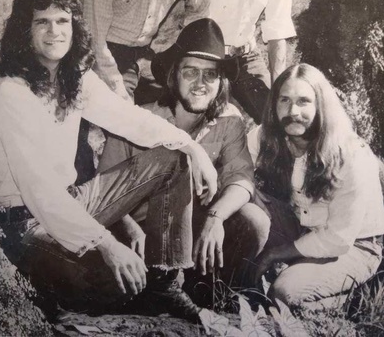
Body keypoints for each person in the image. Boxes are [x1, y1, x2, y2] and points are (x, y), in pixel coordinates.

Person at [0, 0, 219, 321]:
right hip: (26, 225)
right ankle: (53, 292)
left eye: (62, 21)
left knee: (173, 158)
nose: (54, 31)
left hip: (74, 201)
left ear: (74, 26)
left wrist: (191, 146)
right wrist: (107, 244)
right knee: (117, 283)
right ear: (25, 30)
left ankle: (163, 283)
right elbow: (41, 194)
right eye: (42, 22)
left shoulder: (74, 77)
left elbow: (129, 119)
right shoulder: (11, 92)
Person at [98, 18, 264, 304]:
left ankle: (211, 295)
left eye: (210, 74)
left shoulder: (229, 120)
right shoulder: (138, 120)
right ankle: (154, 293)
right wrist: (128, 227)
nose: (200, 83)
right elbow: (103, 191)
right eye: (191, 72)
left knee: (253, 222)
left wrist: (216, 218)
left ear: (221, 82)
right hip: (140, 232)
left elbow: (241, 178)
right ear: (173, 75)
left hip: (195, 229)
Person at [245, 63, 384, 307]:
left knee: (284, 294)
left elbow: (338, 238)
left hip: (353, 245)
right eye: (284, 100)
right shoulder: (266, 135)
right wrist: (250, 190)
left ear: (321, 105)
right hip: (300, 226)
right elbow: (235, 169)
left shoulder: (351, 154)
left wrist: (276, 252)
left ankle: (352, 296)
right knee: (243, 208)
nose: (293, 111)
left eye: (303, 101)